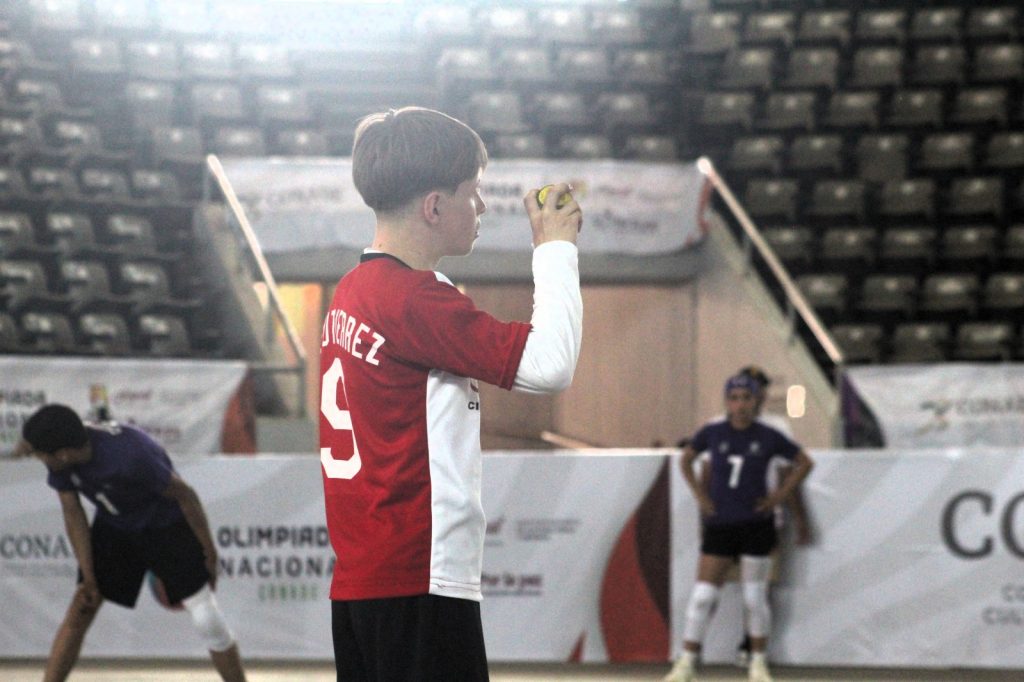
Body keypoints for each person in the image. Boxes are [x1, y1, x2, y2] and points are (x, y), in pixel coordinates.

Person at [319, 107, 582, 681]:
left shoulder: (353, 290)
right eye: (474, 191)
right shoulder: (412, 297)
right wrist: (555, 248)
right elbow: (550, 365)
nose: (482, 206)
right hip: (419, 577)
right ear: (435, 207)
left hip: (365, 582)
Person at [15, 404, 246, 682]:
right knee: (82, 606)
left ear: (62, 454)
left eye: (41, 455)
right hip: (115, 525)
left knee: (205, 615)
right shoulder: (64, 456)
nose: (41, 460)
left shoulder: (131, 455)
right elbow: (73, 513)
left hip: (165, 525)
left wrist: (208, 550)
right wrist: (89, 577)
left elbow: (185, 496)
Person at [664, 374, 814, 682]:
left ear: (756, 401)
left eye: (747, 398)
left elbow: (804, 462)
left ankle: (758, 661)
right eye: (734, 398)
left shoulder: (769, 435)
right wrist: (701, 498)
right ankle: (687, 662)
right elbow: (686, 460)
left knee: (754, 597)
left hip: (756, 525)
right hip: (720, 525)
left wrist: (777, 497)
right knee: (703, 596)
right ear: (727, 401)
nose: (740, 405)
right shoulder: (713, 432)